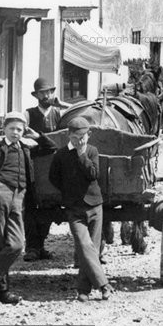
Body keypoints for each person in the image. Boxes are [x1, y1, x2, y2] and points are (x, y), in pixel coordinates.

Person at [0, 111, 53, 305]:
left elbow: (51, 147)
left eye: (19, 129)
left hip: (19, 197)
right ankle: (1, 293)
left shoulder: (25, 148)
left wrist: (38, 136)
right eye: (12, 129)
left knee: (16, 245)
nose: (15, 132)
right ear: (4, 129)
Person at [49, 116, 111, 302]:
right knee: (84, 246)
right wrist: (69, 193)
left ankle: (83, 290)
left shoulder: (92, 151)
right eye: (75, 137)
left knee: (93, 248)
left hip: (95, 206)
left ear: (89, 135)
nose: (79, 141)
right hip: (74, 209)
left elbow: (93, 174)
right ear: (69, 135)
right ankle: (104, 285)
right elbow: (54, 178)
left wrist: (81, 153)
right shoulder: (60, 155)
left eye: (83, 137)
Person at [23, 77, 68, 262]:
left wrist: (62, 104)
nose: (46, 95)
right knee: (33, 207)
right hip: (34, 165)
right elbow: (22, 131)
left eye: (49, 91)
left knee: (51, 204)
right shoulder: (28, 114)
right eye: (42, 92)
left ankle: (40, 246)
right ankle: (33, 247)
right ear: (36, 95)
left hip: (56, 166)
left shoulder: (60, 114)